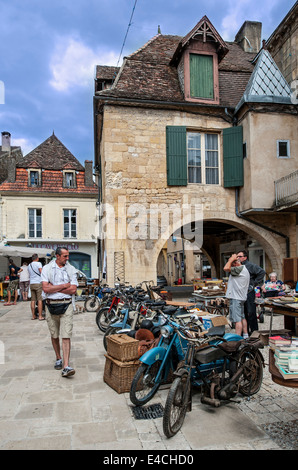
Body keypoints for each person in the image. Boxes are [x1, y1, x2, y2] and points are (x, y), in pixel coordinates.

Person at [41, 247, 78, 378]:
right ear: (57, 256)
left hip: (66, 304)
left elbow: (73, 290)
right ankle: (58, 357)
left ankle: (66, 366)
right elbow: (45, 288)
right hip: (51, 305)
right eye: (65, 256)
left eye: (68, 256)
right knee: (54, 334)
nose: (67, 259)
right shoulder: (47, 269)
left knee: (66, 335)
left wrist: (53, 288)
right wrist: (64, 285)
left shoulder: (71, 269)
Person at [236, 250, 265, 335]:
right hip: (241, 291)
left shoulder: (250, 265)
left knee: (251, 311)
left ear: (245, 257)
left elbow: (262, 272)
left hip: (249, 291)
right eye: (237, 256)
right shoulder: (238, 266)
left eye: (240, 256)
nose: (238, 258)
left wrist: (254, 283)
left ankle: (254, 331)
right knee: (243, 312)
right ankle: (245, 332)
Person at [224, 253, 250, 338]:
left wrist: (231, 259)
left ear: (235, 263)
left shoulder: (239, 269)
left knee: (237, 320)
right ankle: (245, 335)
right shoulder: (244, 269)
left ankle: (238, 338)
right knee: (242, 317)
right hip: (241, 297)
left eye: (232, 264)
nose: (231, 266)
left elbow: (226, 268)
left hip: (236, 298)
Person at [28, 254, 43, 320]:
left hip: (31, 283)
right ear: (37, 258)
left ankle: (33, 315)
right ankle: (40, 316)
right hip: (38, 283)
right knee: (40, 299)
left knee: (33, 300)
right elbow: (41, 272)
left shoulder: (29, 265)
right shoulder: (38, 263)